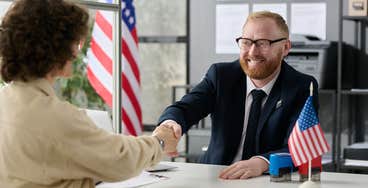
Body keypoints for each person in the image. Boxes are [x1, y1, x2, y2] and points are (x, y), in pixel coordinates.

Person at [0, 0, 178, 187]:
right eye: (74, 43)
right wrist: (159, 142)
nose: (76, 54)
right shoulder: (54, 117)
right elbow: (120, 159)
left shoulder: (6, 100)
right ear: (56, 49)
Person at [158, 11, 319, 179]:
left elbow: (300, 147)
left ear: (285, 47)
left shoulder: (301, 87)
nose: (252, 52)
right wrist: (171, 123)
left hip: (266, 180)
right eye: (246, 42)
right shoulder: (221, 76)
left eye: (263, 43)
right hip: (216, 176)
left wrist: (262, 162)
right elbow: (186, 108)